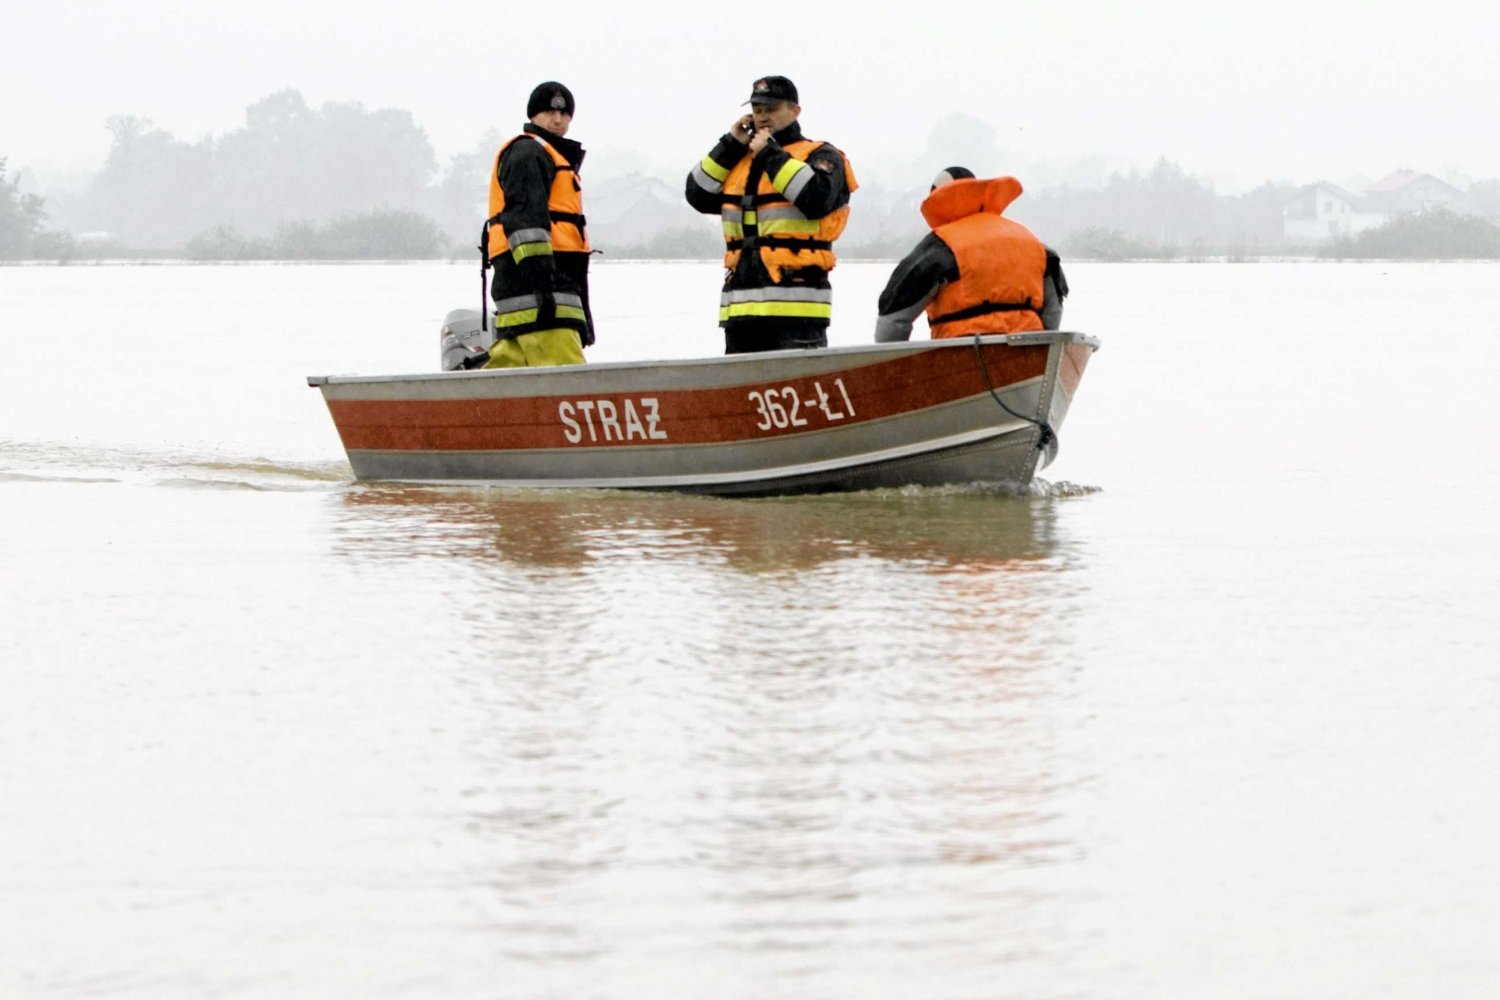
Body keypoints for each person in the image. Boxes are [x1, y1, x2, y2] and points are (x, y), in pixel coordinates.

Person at [686, 75, 857, 354]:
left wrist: (771, 155)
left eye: (772, 110)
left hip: (799, 312)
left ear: (795, 111)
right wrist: (729, 145)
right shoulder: (739, 159)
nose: (763, 117)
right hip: (741, 313)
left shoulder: (820, 155)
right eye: (757, 110)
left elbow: (816, 199)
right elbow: (697, 194)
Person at [874, 167, 1067, 343]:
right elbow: (1053, 313)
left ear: (936, 197)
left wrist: (891, 371)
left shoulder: (940, 246)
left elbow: (893, 317)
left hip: (958, 359)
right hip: (1026, 355)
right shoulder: (1033, 243)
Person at [480, 81, 594, 369]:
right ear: (533, 116)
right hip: (542, 298)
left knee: (509, 383)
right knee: (567, 381)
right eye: (548, 112)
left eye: (565, 114)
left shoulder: (548, 155)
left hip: (522, 299)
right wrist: (544, 284)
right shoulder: (529, 153)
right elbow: (525, 223)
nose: (557, 120)